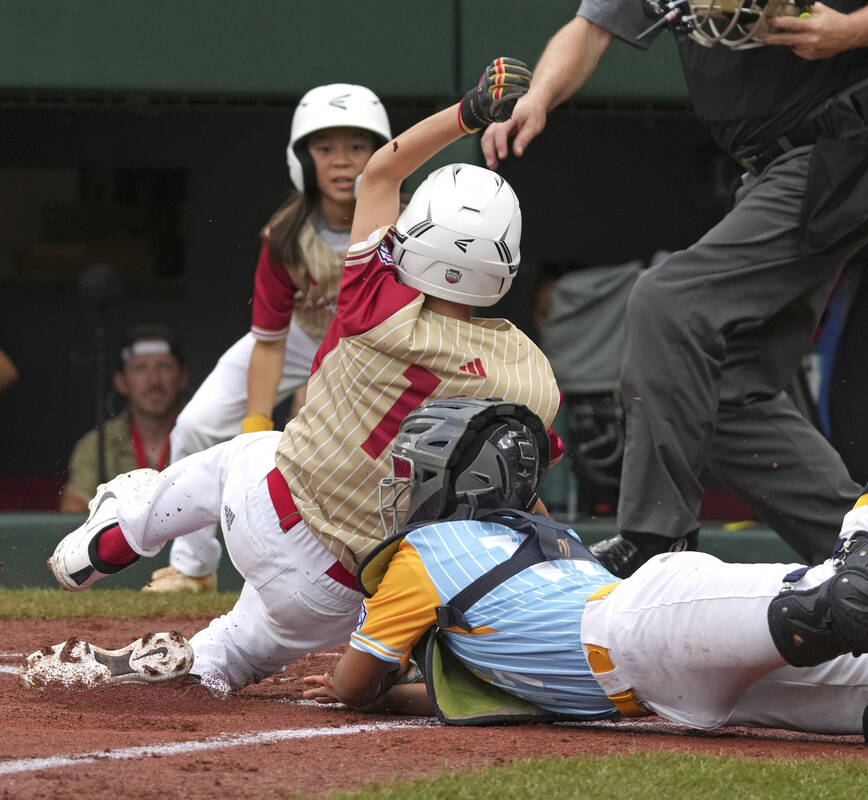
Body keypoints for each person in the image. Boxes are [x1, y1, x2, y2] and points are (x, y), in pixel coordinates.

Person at [293, 327, 868, 749]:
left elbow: (355, 686)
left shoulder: (425, 558)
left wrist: (371, 679)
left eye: (419, 471)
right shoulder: (533, 545)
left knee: (862, 596)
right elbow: (492, 685)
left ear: (464, 481)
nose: (405, 491)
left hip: (650, 629)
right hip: (677, 689)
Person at [33, 58, 554, 695]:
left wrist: (472, 111)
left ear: (416, 236)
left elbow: (382, 170)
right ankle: (214, 664)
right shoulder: (533, 377)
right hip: (338, 591)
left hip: (266, 504)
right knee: (249, 644)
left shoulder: (374, 304)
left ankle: (126, 531)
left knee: (242, 449)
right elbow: (521, 492)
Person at [481, 0, 868, 578]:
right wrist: (537, 99)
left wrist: (848, 29)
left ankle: (654, 535)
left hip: (838, 144)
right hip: (773, 167)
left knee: (667, 301)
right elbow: (589, 30)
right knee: (728, 390)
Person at [145, 83, 393, 593]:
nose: (342, 161)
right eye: (325, 148)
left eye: (357, 147)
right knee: (193, 426)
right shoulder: (284, 234)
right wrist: (255, 425)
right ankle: (194, 567)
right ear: (302, 159)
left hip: (374, 352)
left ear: (382, 153)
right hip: (300, 339)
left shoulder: (406, 222)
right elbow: (271, 339)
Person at [60, 325, 188, 513]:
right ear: (121, 382)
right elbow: (73, 505)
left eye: (164, 367)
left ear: (182, 378)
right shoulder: (98, 443)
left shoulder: (208, 435)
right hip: (122, 542)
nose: (154, 381)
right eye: (140, 368)